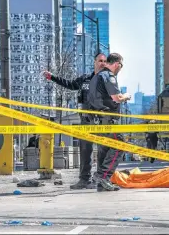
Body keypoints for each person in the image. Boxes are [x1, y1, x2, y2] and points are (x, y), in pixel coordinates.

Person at [42, 53, 107, 190]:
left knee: (103, 150)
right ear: (94, 62)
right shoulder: (85, 79)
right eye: (100, 60)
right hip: (86, 120)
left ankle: (101, 179)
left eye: (105, 61)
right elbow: (70, 84)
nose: (102, 63)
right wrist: (52, 77)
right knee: (85, 150)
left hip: (102, 120)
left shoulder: (107, 80)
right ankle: (84, 180)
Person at [87, 53, 131, 192]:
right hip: (108, 120)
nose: (120, 69)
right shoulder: (108, 76)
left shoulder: (96, 77)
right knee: (119, 145)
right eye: (121, 66)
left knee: (105, 150)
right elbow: (116, 98)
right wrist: (126, 96)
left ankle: (102, 181)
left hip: (98, 120)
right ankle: (103, 176)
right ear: (117, 64)